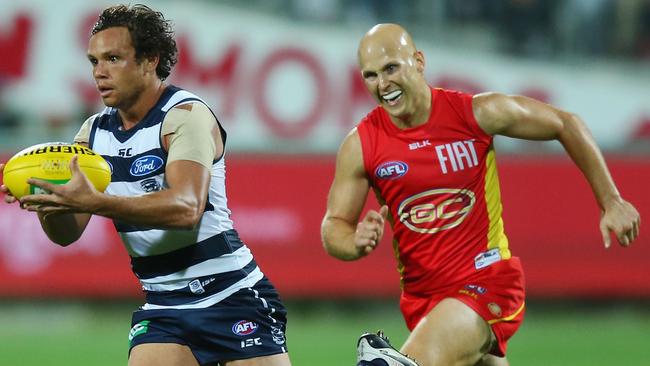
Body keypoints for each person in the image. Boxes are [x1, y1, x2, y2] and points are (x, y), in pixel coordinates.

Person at [321, 23, 640, 366]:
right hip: (423, 300)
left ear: (418, 61)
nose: (383, 84)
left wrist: (611, 201)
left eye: (391, 68)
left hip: (487, 281)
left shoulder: (474, 114)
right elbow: (334, 225)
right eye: (371, 76)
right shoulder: (361, 144)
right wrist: (354, 243)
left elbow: (566, 123)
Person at [0, 4, 291, 366]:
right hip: (163, 305)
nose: (99, 73)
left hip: (230, 295)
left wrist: (96, 202)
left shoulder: (184, 117)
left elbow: (186, 209)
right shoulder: (93, 134)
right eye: (94, 61)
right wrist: (46, 198)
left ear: (149, 60)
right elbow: (66, 234)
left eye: (113, 58)